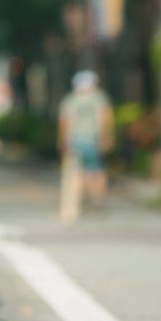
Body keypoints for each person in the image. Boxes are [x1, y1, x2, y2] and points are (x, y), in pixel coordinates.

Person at [57, 69, 116, 224]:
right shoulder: (99, 99)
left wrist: (63, 141)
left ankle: (77, 202)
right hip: (93, 140)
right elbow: (106, 118)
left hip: (75, 141)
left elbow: (65, 123)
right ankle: (98, 199)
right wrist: (107, 137)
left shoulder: (70, 100)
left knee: (76, 172)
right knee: (97, 170)